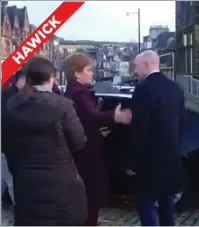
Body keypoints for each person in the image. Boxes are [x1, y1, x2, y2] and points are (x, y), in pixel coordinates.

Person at [4, 57, 88, 226]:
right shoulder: (63, 106)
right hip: (61, 183)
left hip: (27, 182)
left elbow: (8, 146)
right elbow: (79, 141)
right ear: (51, 77)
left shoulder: (12, 106)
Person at [63, 52, 131, 226]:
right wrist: (114, 117)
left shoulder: (76, 92)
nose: (92, 73)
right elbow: (91, 116)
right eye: (88, 69)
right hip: (87, 155)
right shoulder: (79, 94)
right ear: (77, 73)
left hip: (83, 153)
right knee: (90, 199)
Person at [126, 50, 184, 226]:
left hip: (149, 160)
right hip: (171, 156)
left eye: (135, 66)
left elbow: (139, 128)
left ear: (146, 64)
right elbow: (181, 122)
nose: (134, 71)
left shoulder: (143, 89)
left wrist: (132, 161)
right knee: (167, 204)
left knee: (147, 205)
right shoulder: (174, 87)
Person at [2, 69, 26, 205]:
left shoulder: (8, 95)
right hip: (8, 147)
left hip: (8, 147)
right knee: (11, 181)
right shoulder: (11, 98)